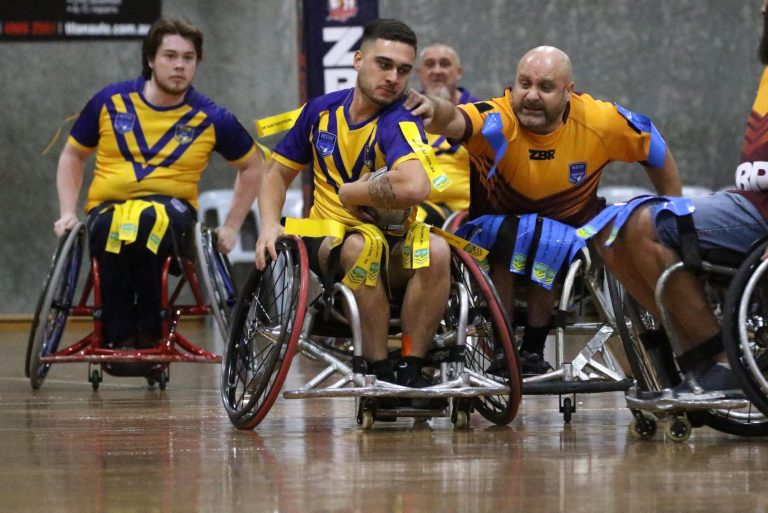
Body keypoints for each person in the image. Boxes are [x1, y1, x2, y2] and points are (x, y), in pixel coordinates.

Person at [405, 45, 682, 375]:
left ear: (568, 91)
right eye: (524, 84)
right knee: (515, 234)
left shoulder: (599, 120)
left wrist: (673, 209)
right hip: (493, 235)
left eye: (545, 87)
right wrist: (431, 108)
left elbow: (652, 145)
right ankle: (504, 348)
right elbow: (452, 117)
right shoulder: (496, 120)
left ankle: (533, 351)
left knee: (548, 237)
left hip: (567, 235)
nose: (531, 96)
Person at [254, 19, 451, 406]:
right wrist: (268, 225)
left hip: (393, 239)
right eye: (384, 64)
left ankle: (410, 367)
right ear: (358, 60)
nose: (393, 78)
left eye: (403, 70)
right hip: (329, 235)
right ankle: (377, 369)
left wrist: (353, 191)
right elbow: (275, 174)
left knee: (437, 250)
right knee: (362, 248)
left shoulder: (400, 119)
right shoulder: (320, 111)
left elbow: (416, 187)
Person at [54, 18, 264, 351]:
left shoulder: (211, 117)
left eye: (188, 57)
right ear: (150, 59)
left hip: (173, 215)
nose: (179, 65)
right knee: (112, 229)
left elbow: (253, 166)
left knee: (148, 222)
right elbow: (72, 156)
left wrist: (232, 226)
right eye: (170, 56)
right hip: (107, 210)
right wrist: (67, 212)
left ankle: (148, 334)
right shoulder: (110, 102)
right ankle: (119, 336)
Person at [594, 0, 768, 393]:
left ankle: (721, 363)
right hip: (748, 203)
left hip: (760, 215)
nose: (762, 8)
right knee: (607, 230)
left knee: (644, 224)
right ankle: (695, 358)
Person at [415, 43, 477, 226]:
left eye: (445, 64)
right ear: (419, 73)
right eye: (430, 64)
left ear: (459, 72)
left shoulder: (479, 114)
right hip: (414, 206)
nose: (437, 71)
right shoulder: (403, 115)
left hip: (466, 214)